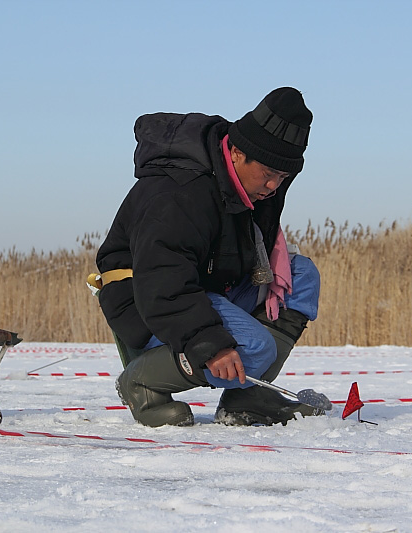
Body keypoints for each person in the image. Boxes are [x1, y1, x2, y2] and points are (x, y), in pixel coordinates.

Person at [95, 87, 322, 427]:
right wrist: (209, 343)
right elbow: (162, 280)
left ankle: (246, 399)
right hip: (146, 299)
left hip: (208, 289)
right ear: (236, 154)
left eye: (283, 177)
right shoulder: (179, 192)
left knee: (300, 274)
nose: (274, 186)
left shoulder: (254, 188)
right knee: (256, 348)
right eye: (268, 173)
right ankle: (141, 382)